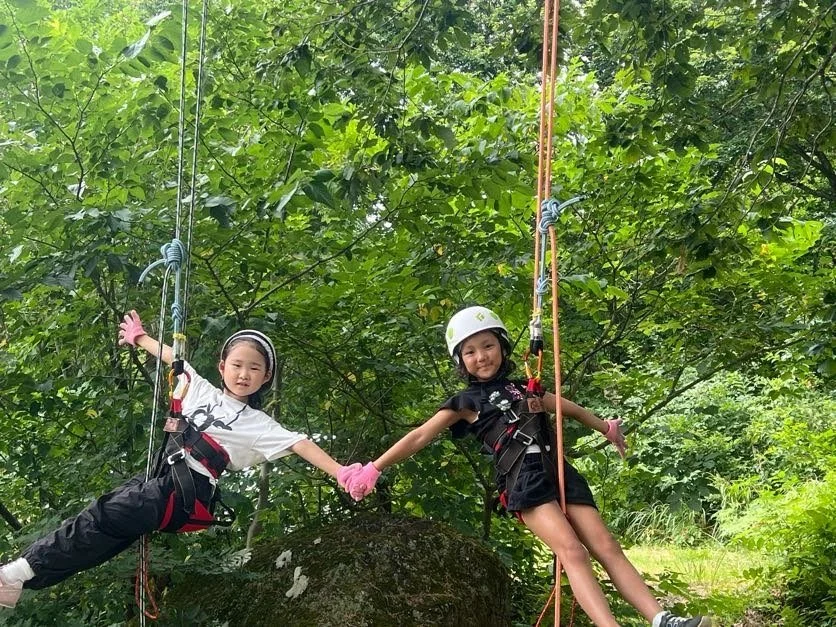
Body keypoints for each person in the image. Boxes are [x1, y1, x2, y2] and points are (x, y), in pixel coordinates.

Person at [343, 306, 711, 627]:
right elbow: (421, 435)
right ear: (460, 361)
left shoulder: (526, 389)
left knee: (606, 545)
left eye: (487, 346)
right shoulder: (465, 402)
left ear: (502, 347)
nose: (481, 356)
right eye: (469, 351)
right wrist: (374, 468)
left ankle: (661, 619)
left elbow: (566, 406)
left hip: (558, 469)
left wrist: (606, 428)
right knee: (573, 552)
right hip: (523, 480)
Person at [0, 311, 361, 609]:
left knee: (103, 514)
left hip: (185, 492)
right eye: (237, 365)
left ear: (265, 377)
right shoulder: (200, 389)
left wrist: (342, 472)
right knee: (105, 534)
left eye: (254, 369)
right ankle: (26, 581)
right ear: (222, 367)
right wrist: (140, 338)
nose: (243, 374)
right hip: (157, 481)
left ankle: (16, 572)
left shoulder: (259, 424)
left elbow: (300, 444)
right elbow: (175, 358)